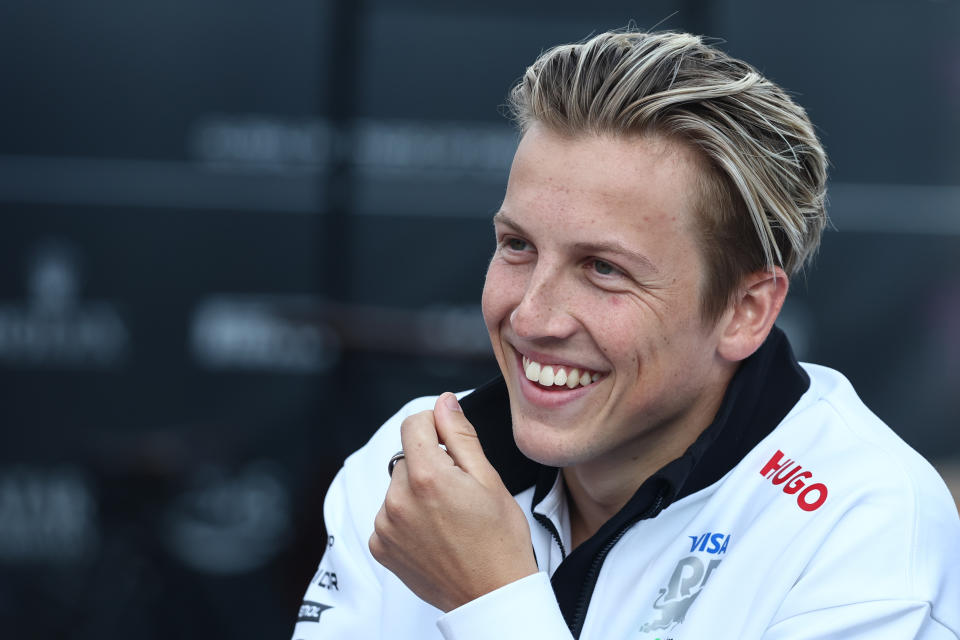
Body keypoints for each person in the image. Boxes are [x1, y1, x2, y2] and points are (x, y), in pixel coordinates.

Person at [292, 30, 960, 640]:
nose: (532, 317)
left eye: (603, 268)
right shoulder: (413, 464)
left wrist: (489, 600)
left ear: (746, 310)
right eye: (517, 246)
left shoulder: (863, 523)